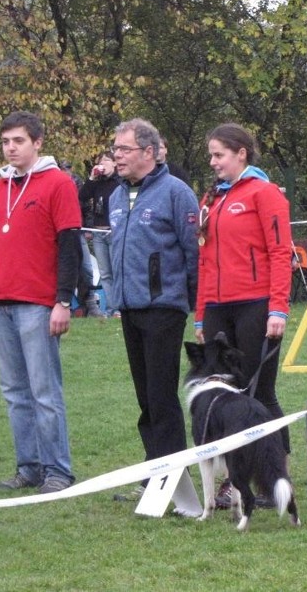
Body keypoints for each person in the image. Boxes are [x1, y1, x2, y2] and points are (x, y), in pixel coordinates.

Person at [0, 111, 80, 494]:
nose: (10, 148)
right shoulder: (1, 188)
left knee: (44, 391)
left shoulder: (58, 183)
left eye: (18, 141)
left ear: (37, 142)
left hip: (38, 302)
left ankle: (57, 470)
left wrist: (63, 300)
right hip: (0, 302)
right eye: (5, 142)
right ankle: (28, 466)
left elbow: (69, 246)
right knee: (15, 392)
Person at [194, 122, 292, 507]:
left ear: (241, 154)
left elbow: (281, 252)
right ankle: (233, 480)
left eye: (219, 154)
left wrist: (278, 308)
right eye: (211, 155)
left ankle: (277, 475)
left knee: (260, 394)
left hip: (255, 305)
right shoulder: (210, 199)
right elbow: (203, 260)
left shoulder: (264, 194)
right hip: (218, 308)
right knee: (225, 397)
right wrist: (201, 316)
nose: (213, 162)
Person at [107, 118, 200, 501]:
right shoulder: (115, 196)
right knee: (145, 396)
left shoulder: (176, 193)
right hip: (130, 308)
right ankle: (153, 471)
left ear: (149, 152)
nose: (117, 157)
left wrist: (196, 305)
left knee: (162, 395)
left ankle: (172, 476)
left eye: (124, 150)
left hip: (165, 307)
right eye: (115, 150)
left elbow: (194, 252)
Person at [79, 151, 121, 317]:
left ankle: (119, 308)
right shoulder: (97, 182)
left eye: (106, 160)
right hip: (98, 232)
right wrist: (91, 178)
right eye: (100, 161)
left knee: (116, 271)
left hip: (114, 231)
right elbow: (82, 196)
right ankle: (111, 309)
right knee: (105, 274)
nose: (102, 164)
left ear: (115, 163)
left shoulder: (120, 181)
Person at [60, 160, 103, 317]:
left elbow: (86, 206)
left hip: (78, 231)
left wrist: (88, 226)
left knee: (86, 268)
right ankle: (64, 306)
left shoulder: (78, 183)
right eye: (64, 167)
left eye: (69, 167)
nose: (67, 170)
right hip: (61, 234)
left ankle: (90, 304)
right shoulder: (55, 185)